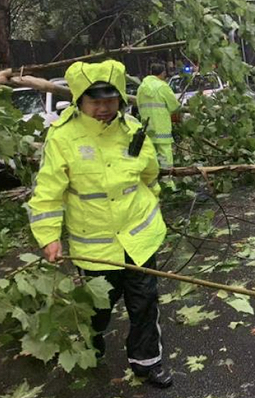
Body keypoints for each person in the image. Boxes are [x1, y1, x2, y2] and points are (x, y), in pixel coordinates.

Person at [27, 59, 173, 388]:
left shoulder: (134, 130)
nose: (104, 108)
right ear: (80, 101)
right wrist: (49, 237)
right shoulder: (63, 138)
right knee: (97, 308)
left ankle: (147, 362)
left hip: (139, 239)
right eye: (96, 101)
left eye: (110, 100)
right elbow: (48, 193)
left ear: (121, 99)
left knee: (144, 302)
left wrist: (154, 202)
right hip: (95, 247)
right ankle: (91, 346)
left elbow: (150, 174)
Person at [137, 63, 181, 191]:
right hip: (161, 126)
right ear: (162, 74)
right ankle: (167, 184)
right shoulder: (162, 86)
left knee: (152, 155)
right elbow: (174, 106)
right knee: (165, 156)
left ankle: (152, 184)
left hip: (147, 127)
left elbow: (139, 106)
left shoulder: (141, 88)